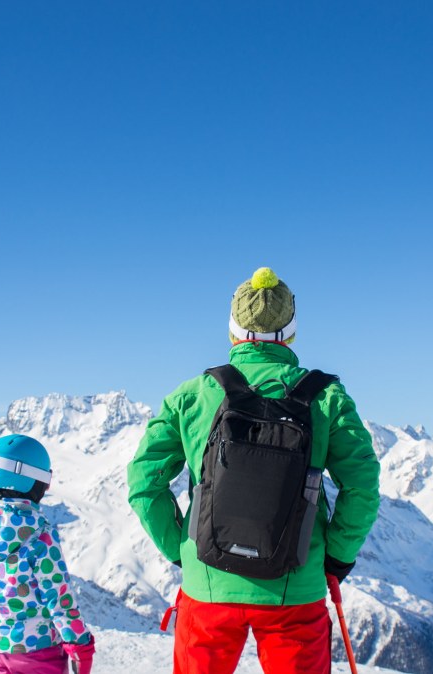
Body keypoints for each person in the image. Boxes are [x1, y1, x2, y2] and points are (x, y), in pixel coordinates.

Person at [127, 267, 381, 674]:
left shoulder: (192, 395)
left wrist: (181, 547)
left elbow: (144, 482)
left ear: (233, 331)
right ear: (291, 332)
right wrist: (336, 557)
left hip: (207, 586)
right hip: (295, 591)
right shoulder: (327, 398)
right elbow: (363, 486)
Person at [0, 434, 96, 674]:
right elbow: (58, 595)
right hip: (37, 650)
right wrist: (78, 642)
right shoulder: (39, 534)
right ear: (36, 482)